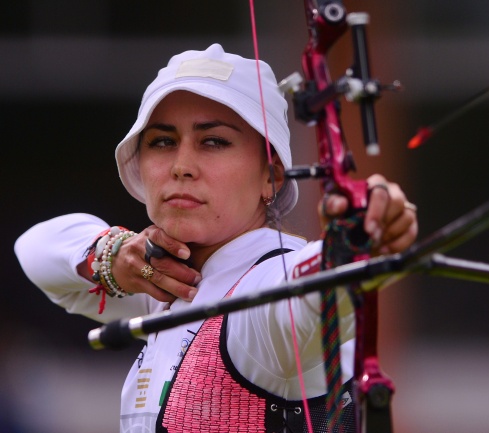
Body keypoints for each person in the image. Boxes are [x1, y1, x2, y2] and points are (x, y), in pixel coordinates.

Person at [14, 44, 418, 433]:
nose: (182, 166)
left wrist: (358, 240)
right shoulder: (162, 283)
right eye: (163, 141)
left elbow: (312, 291)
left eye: (214, 142)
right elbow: (34, 249)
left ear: (271, 176)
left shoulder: (266, 288)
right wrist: (112, 255)